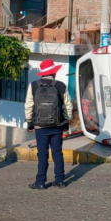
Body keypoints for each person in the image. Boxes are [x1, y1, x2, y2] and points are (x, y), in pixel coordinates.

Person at [25, 59, 74, 190]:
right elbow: (67, 106)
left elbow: (29, 105)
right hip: (57, 125)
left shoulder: (34, 85)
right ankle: (59, 180)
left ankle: (40, 182)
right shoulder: (60, 85)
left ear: (42, 73)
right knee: (57, 152)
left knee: (42, 154)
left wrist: (29, 122)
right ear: (54, 73)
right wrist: (66, 121)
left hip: (40, 127)